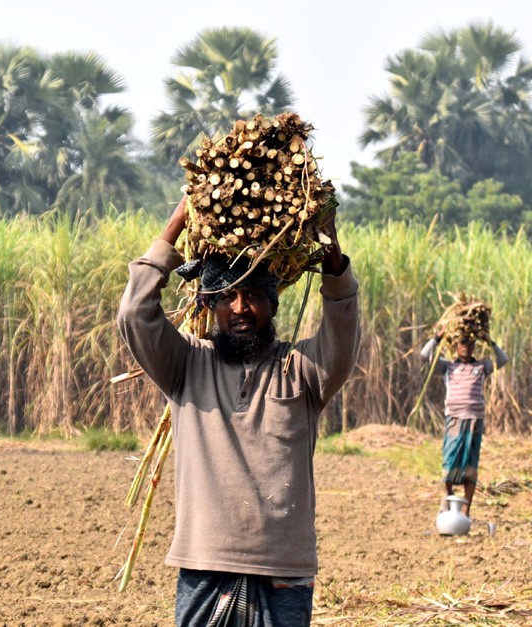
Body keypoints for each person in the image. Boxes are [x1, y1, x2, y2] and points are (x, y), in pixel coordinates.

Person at [116, 196, 360, 627]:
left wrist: (332, 255)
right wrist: (173, 227)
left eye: (253, 295)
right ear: (209, 305)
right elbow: (136, 314)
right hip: (205, 561)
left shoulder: (303, 371)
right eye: (227, 296)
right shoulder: (186, 364)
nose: (241, 308)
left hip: (284, 569)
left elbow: (341, 331)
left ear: (273, 305)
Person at [419, 331, 509, 518]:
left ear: (474, 346)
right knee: (449, 460)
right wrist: (437, 338)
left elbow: (503, 359)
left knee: (470, 463)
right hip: (454, 418)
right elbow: (424, 356)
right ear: (455, 346)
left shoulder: (482, 366)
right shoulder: (447, 367)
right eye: (461, 344)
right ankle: (449, 496)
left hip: (474, 420)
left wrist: (489, 340)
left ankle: (467, 508)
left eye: (469, 344)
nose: (465, 347)